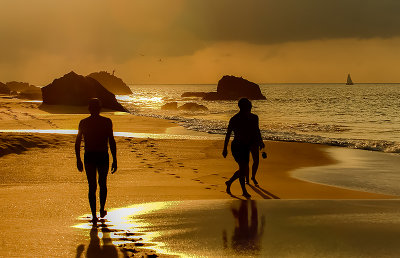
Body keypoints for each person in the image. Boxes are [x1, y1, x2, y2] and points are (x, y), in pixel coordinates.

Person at [75, 98, 117, 223]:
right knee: (102, 184)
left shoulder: (83, 122)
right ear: (99, 108)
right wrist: (115, 159)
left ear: (89, 108)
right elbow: (111, 141)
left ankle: (94, 215)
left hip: (89, 156)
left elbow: (77, 142)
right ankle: (101, 209)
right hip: (103, 155)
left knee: (92, 186)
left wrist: (78, 159)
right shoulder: (106, 122)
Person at [223, 98, 264, 198]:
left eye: (250, 106)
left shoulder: (254, 118)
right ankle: (244, 191)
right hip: (237, 146)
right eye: (248, 106)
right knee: (244, 168)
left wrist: (261, 142)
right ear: (242, 107)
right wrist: (225, 148)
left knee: (243, 169)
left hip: (246, 146)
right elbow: (228, 134)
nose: (250, 107)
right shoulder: (234, 119)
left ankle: (229, 182)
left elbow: (257, 131)